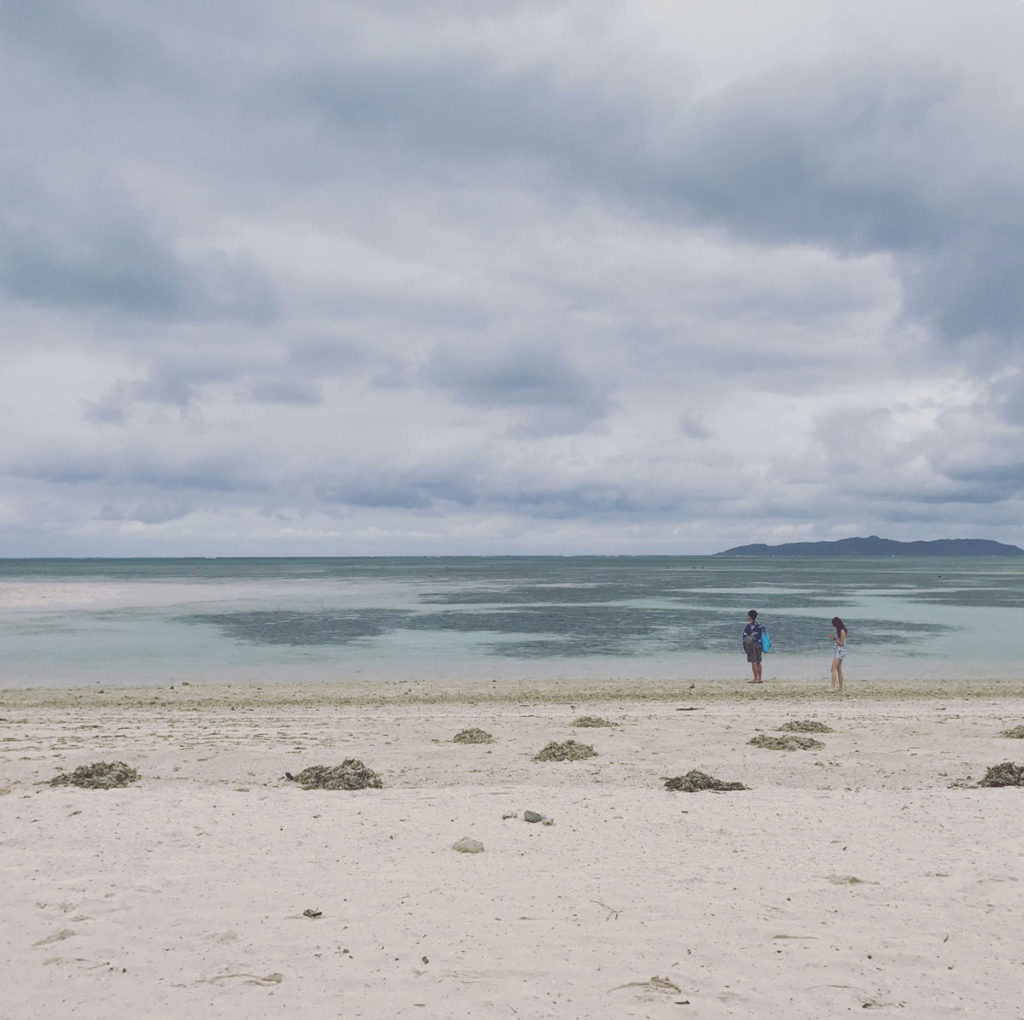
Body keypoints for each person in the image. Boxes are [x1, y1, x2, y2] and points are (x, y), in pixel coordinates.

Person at [743, 609, 764, 684]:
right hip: (760, 644)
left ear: (750, 616)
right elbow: (764, 635)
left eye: (748, 616)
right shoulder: (760, 625)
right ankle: (760, 678)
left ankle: (756, 678)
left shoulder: (749, 626)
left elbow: (745, 637)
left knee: (753, 661)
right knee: (759, 662)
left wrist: (745, 647)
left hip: (752, 645)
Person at [828, 616, 848, 692]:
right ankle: (840, 687)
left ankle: (833, 687)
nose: (833, 626)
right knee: (839, 670)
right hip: (840, 651)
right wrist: (834, 638)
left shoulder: (842, 631)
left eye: (834, 624)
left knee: (833, 669)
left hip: (840, 651)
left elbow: (842, 643)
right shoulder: (841, 630)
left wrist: (834, 638)